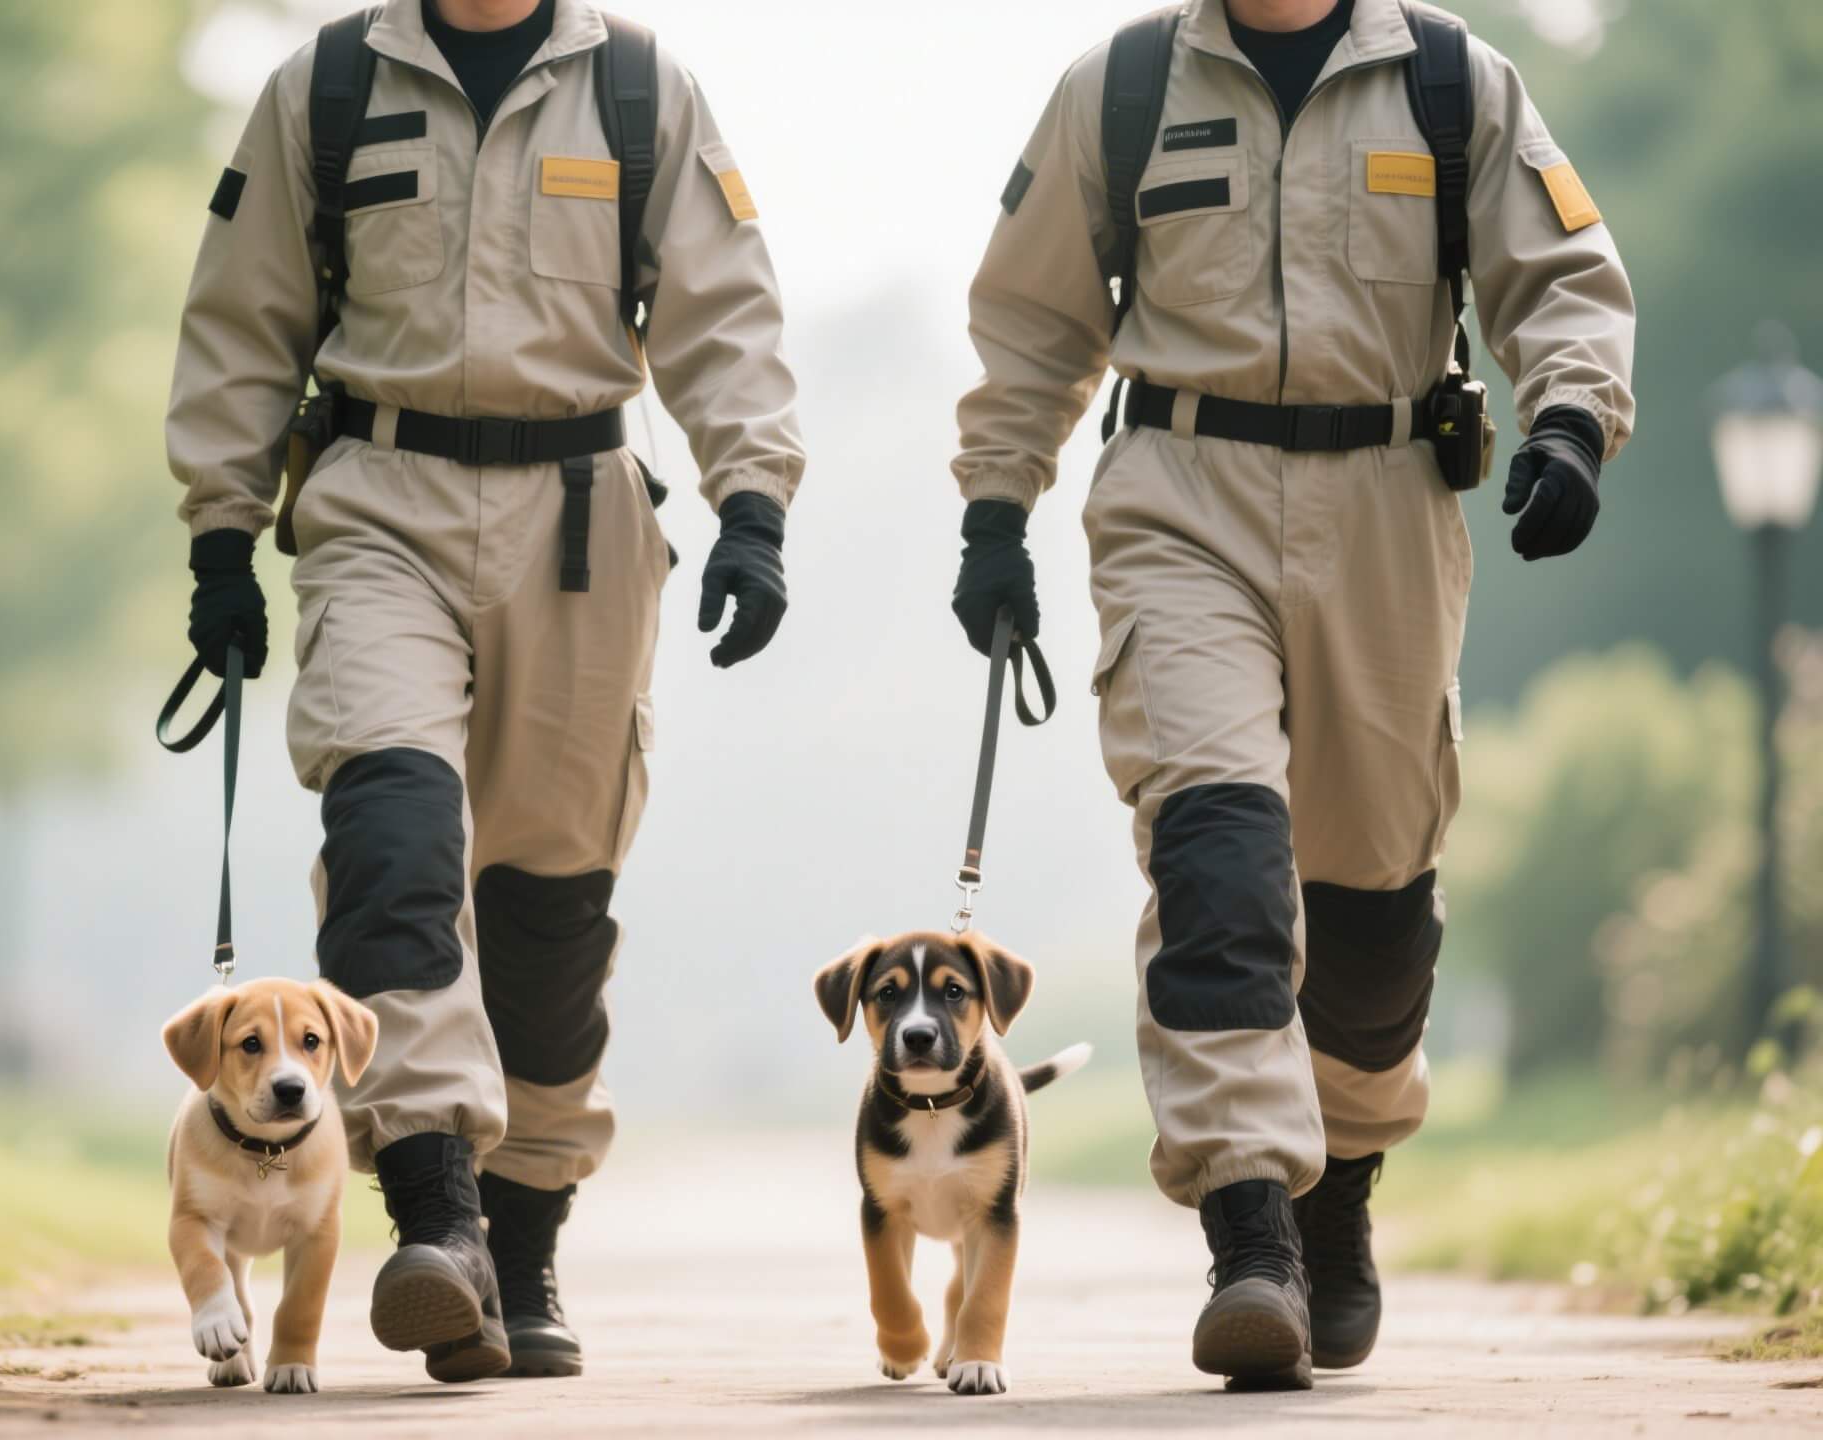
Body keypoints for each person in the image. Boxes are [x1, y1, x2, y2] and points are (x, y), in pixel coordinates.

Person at [948, 0, 1634, 1390]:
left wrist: (1571, 419)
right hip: (1180, 502)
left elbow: (1563, 272)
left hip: (1387, 509)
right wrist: (996, 511)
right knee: (1219, 856)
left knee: (1374, 910)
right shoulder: (1123, 88)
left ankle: (1340, 1187)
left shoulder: (1452, 82)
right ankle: (1251, 1232)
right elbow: (1030, 319)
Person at [166, 0, 802, 1384]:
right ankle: (436, 1213)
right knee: (391, 839)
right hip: (377, 506)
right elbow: (240, 316)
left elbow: (725, 309)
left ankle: (522, 1243)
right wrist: (222, 533)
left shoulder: (639, 90)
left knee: (549, 912)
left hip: (579, 522)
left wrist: (752, 501)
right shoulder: (327, 87)